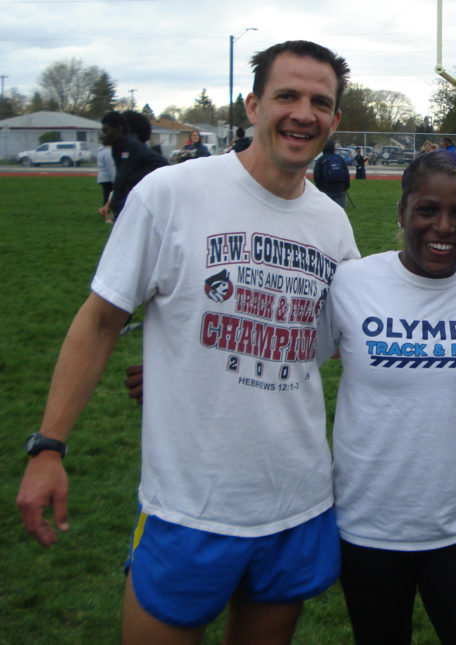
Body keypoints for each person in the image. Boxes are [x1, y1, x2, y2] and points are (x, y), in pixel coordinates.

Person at [16, 40, 359, 644]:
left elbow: (334, 343)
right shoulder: (171, 194)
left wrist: (196, 364)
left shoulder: (332, 223)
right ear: (252, 106)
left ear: (335, 119)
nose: (303, 112)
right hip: (190, 506)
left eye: (319, 101)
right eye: (287, 95)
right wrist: (49, 446)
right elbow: (99, 322)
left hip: (296, 501)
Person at [319, 150, 456, 645]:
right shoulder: (351, 283)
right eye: (428, 210)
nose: (443, 227)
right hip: (367, 528)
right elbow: (289, 362)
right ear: (402, 212)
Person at [98, 110, 169, 223]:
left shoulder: (131, 147)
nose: (102, 135)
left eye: (106, 131)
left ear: (119, 129)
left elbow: (121, 180)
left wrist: (117, 207)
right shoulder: (119, 148)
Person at [313, 139, 350, 208]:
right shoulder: (339, 159)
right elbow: (346, 174)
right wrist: (346, 186)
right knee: (340, 210)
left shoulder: (321, 160)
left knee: (326, 210)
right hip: (340, 189)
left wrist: (320, 187)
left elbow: (317, 176)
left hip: (326, 189)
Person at [96, 143, 114, 208]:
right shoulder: (108, 152)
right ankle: (106, 212)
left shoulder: (100, 151)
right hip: (107, 178)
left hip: (101, 177)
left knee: (106, 195)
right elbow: (110, 168)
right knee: (109, 197)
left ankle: (106, 212)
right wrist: (114, 180)